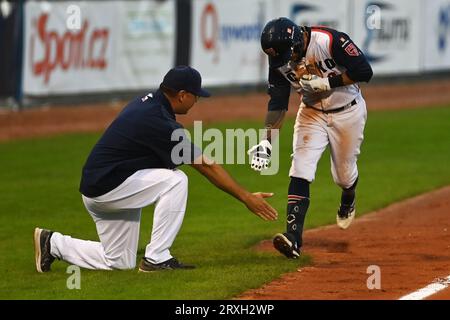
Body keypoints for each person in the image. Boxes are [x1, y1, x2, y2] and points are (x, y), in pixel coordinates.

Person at [34, 66, 278, 273]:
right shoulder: (159, 121)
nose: (197, 101)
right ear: (182, 95)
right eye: (196, 96)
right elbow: (205, 164)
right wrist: (246, 197)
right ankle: (156, 258)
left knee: (119, 261)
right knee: (176, 180)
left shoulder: (150, 104)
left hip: (102, 187)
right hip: (108, 187)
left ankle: (53, 243)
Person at [248, 18, 373, 259]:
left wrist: (327, 82)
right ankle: (293, 238)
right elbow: (278, 101)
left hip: (348, 111)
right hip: (312, 113)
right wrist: (267, 141)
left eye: (286, 54)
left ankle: (348, 197)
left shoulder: (330, 40)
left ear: (297, 40)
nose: (285, 60)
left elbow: (364, 71)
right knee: (300, 167)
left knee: (344, 176)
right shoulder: (280, 57)